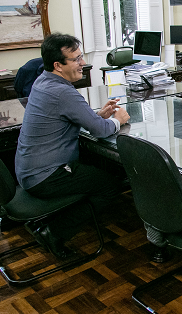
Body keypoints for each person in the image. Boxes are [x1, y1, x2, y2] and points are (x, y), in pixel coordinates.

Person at [15, 33, 130, 258]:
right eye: (76, 59)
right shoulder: (63, 92)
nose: (82, 64)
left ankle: (52, 222)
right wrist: (118, 120)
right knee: (110, 186)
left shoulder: (43, 81)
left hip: (28, 170)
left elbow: (68, 118)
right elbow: (101, 130)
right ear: (58, 65)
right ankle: (52, 231)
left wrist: (97, 115)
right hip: (46, 176)